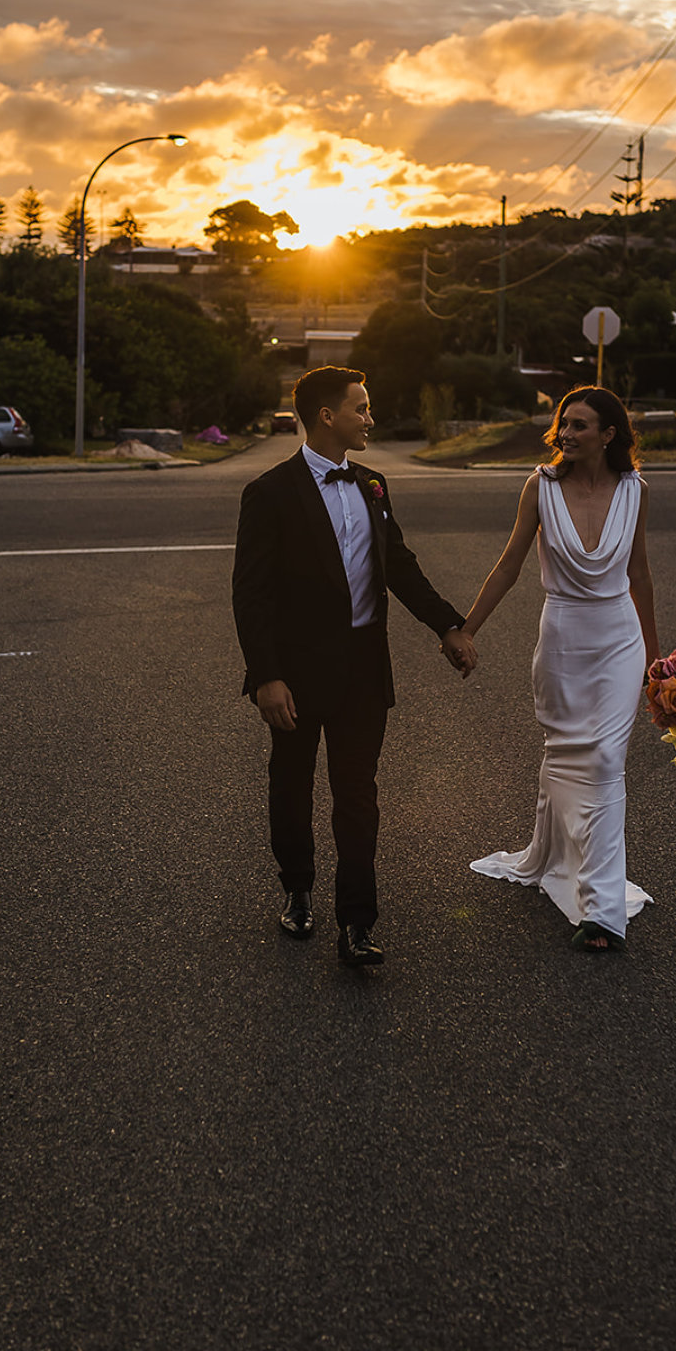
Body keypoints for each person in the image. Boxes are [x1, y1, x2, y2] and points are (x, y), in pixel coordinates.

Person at [232, 366, 477, 967]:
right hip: (294, 674)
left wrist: (448, 625)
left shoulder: (373, 485)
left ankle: (357, 924)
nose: (370, 418)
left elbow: (400, 566)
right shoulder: (269, 492)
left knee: (357, 797)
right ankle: (296, 888)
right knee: (291, 787)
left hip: (364, 671)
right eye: (361, 409)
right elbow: (251, 594)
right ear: (326, 417)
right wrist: (266, 676)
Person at [462, 387, 659, 953]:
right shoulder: (540, 487)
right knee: (567, 752)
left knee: (603, 758)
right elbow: (508, 565)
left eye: (579, 425)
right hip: (564, 638)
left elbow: (641, 575)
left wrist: (654, 656)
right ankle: (551, 855)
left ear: (608, 434)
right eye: (563, 424)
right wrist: (467, 628)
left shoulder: (635, 490)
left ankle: (600, 912)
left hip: (619, 637)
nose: (566, 433)